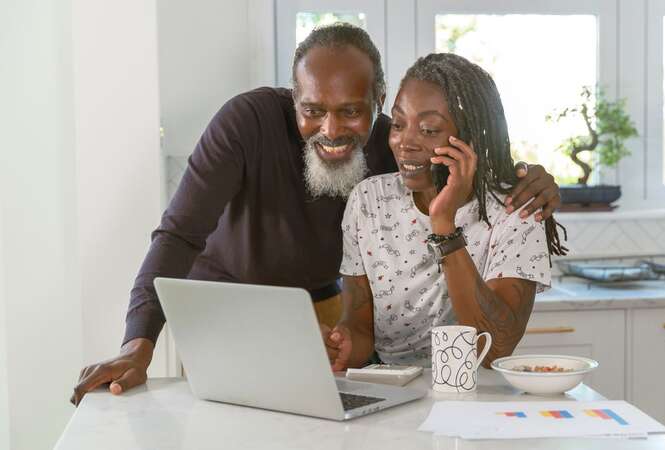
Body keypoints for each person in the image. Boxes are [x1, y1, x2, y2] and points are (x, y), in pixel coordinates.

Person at [70, 23, 563, 405]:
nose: (330, 129)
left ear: (378, 104)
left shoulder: (398, 145)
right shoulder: (246, 123)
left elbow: (465, 154)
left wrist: (529, 179)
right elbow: (177, 235)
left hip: (320, 310)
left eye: (351, 111)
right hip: (227, 305)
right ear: (293, 98)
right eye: (312, 109)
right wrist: (138, 343)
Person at [326, 53, 567, 370]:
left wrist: (444, 225)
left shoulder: (516, 209)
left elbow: (495, 348)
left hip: (479, 394)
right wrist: (340, 345)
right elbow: (360, 329)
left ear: (470, 137)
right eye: (398, 123)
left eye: (428, 129)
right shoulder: (369, 200)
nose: (405, 142)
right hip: (394, 390)